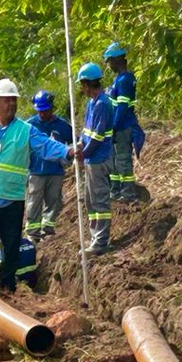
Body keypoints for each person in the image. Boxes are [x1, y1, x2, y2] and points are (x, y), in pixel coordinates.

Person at [0, 78, 77, 293]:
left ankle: (7, 286)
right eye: (6, 100)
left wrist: (67, 151)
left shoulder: (25, 130)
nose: (11, 105)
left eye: (14, 101)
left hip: (12, 199)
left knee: (10, 247)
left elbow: (46, 146)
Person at [24, 90, 73, 241]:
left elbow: (73, 143)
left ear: (52, 108)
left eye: (46, 111)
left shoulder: (63, 126)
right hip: (36, 170)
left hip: (55, 170)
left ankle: (48, 228)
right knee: (34, 201)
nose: (43, 114)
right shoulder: (29, 126)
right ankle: (33, 231)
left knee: (54, 200)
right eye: (40, 111)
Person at [77, 63, 114, 255]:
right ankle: (94, 238)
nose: (81, 89)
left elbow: (98, 136)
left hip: (100, 159)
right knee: (91, 202)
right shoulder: (91, 104)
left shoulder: (103, 104)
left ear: (87, 83)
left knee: (100, 202)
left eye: (82, 84)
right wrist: (79, 145)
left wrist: (85, 152)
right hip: (92, 160)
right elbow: (87, 132)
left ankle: (101, 242)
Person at [103, 42, 139, 202]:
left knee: (123, 160)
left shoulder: (125, 79)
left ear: (117, 59)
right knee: (115, 162)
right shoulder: (119, 79)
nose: (109, 64)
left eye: (110, 60)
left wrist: (114, 127)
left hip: (122, 127)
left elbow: (123, 107)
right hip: (117, 127)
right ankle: (116, 192)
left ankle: (128, 194)